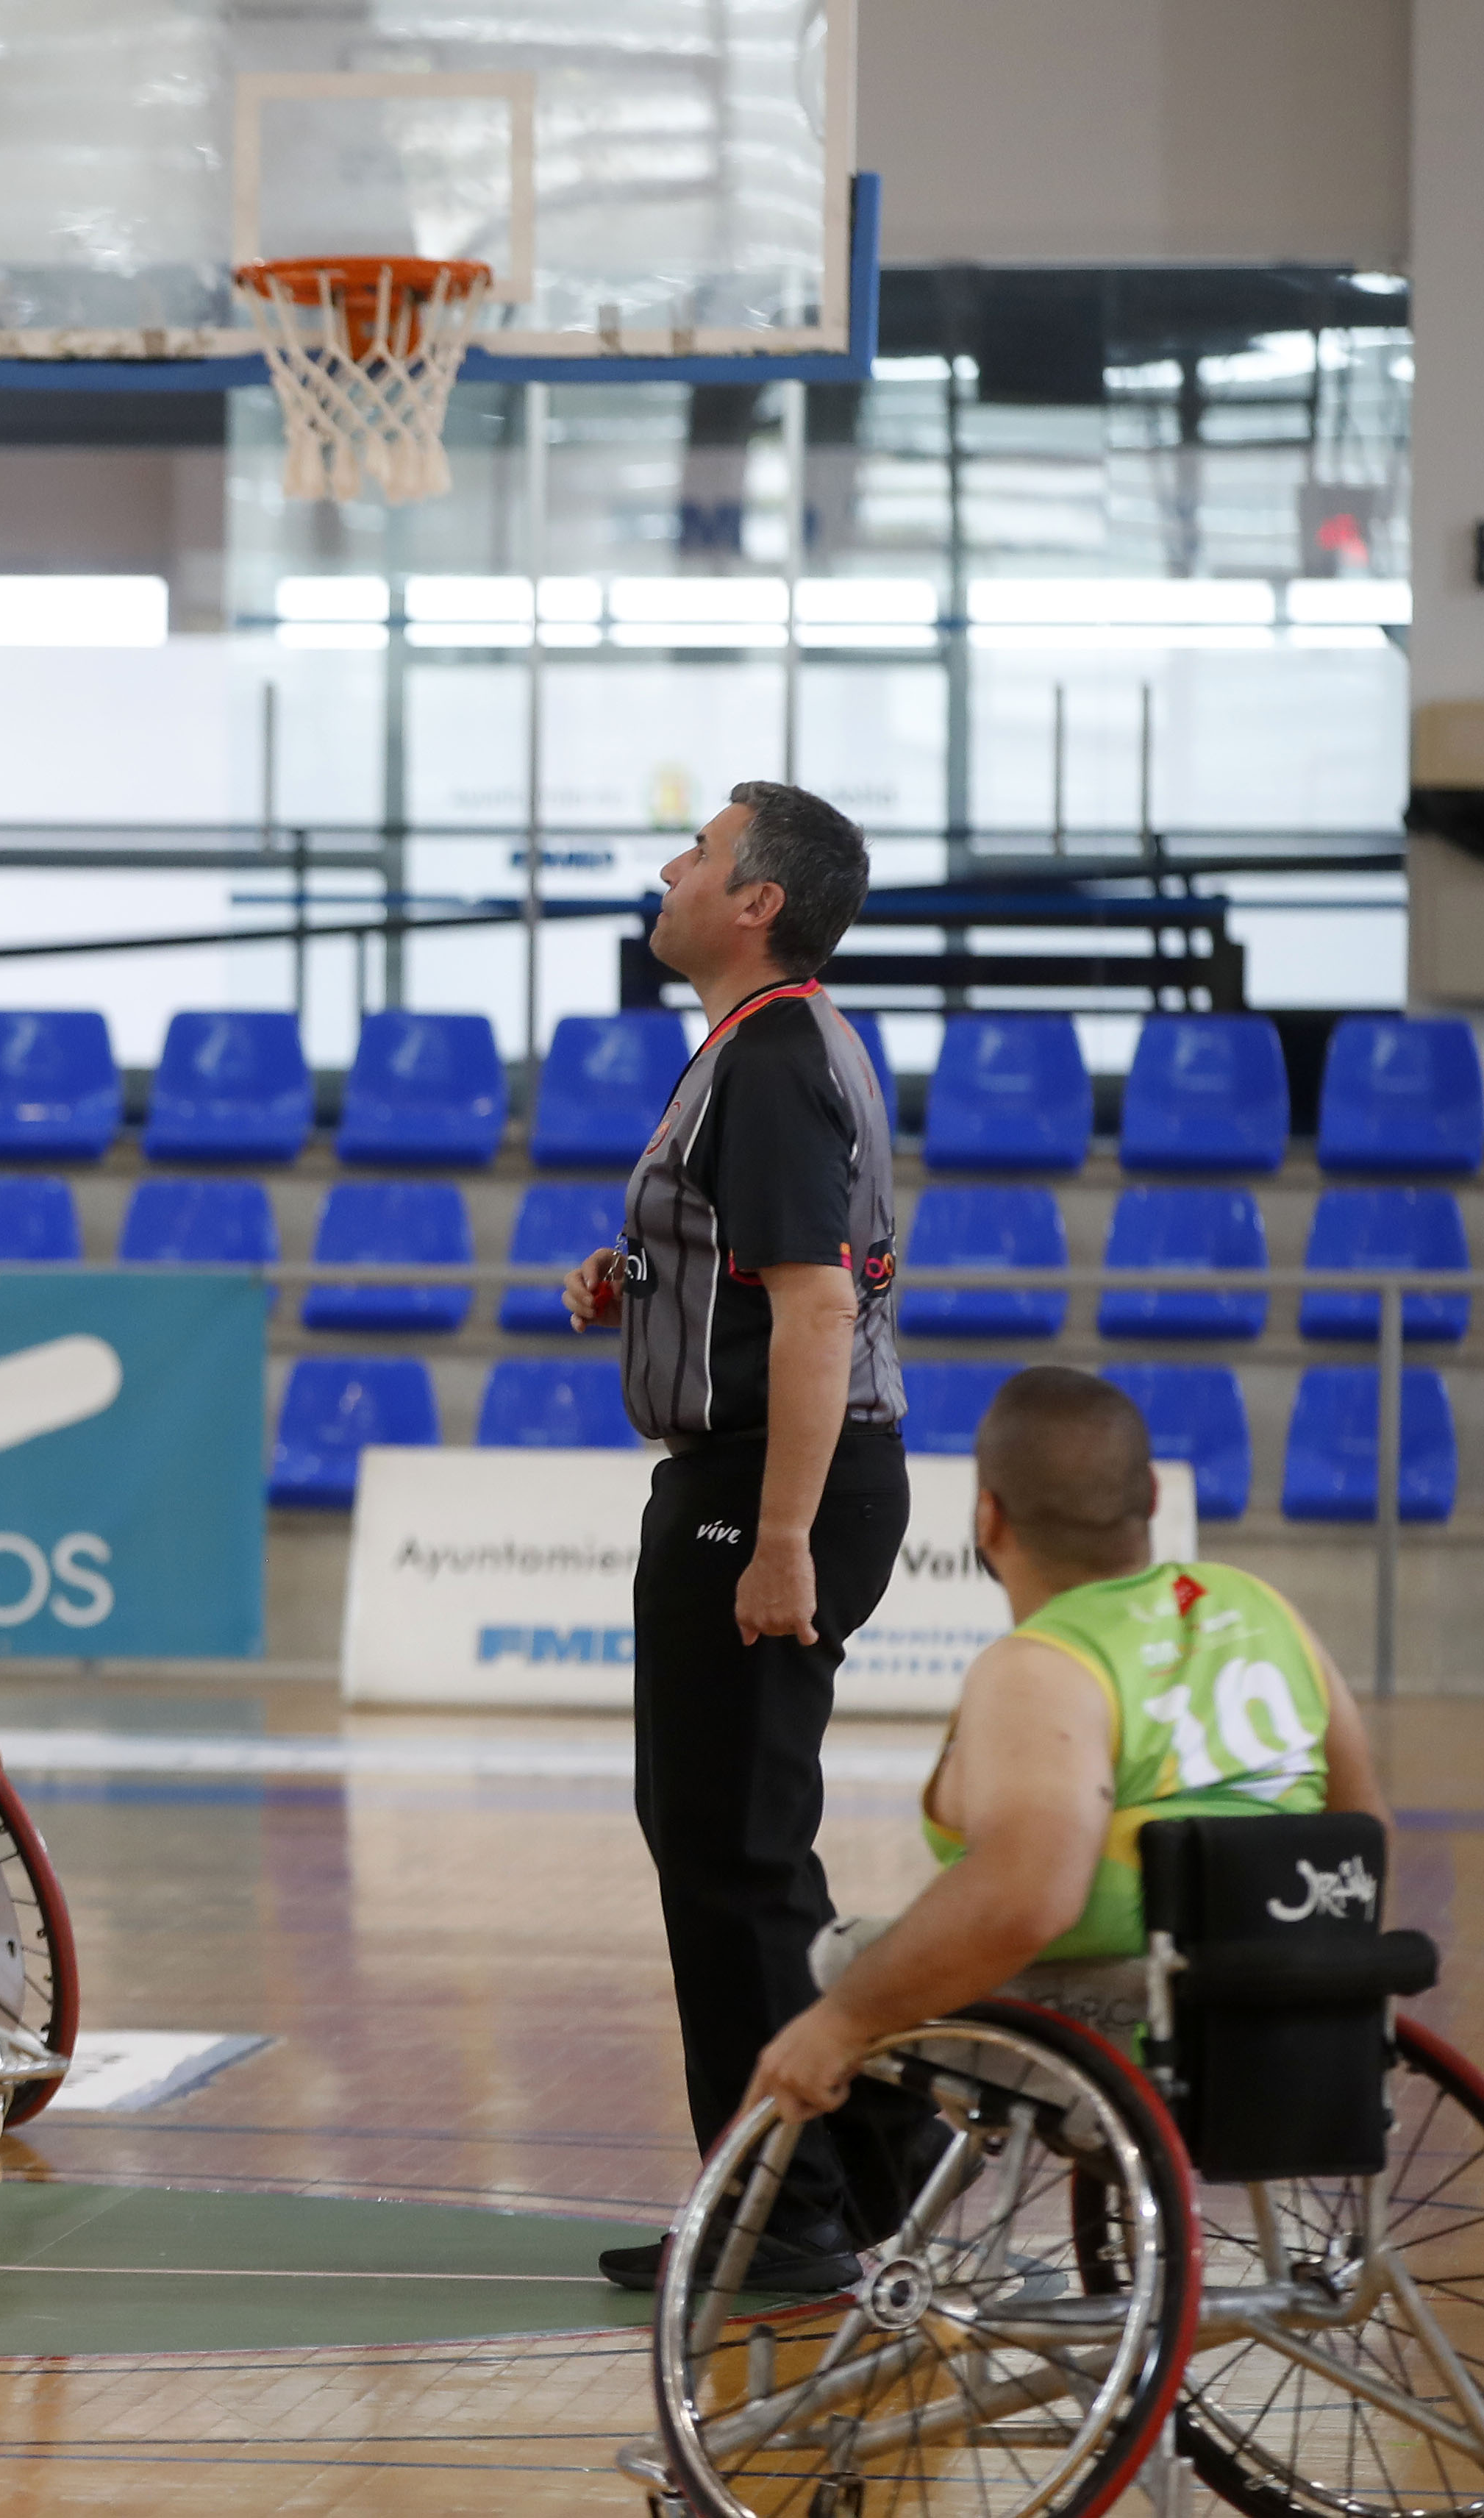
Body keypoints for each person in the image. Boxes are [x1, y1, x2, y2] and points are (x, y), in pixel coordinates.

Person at [562, 780, 909, 2293]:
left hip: (768, 1483)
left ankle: (796, 2210)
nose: (669, 866)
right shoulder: (764, 1051)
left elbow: (821, 1307)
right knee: (736, 1849)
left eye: (697, 851)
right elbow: (767, 1278)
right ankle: (861, 2168)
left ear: (756, 900)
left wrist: (778, 1536)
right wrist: (639, 1279)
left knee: (732, 1856)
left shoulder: (771, 1056)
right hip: (767, 1473)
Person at [744, 1365, 1385, 2126]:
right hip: (1294, 1990)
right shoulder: (1261, 1607)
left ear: (987, 1518)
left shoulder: (1044, 1667)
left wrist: (842, 2020)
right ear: (1149, 1497)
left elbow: (1025, 1901)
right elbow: (1360, 1827)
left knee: (847, 1961)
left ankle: (850, 2213)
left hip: (1137, 2024)